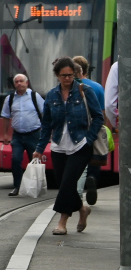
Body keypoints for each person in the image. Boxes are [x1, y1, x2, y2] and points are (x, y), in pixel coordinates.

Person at [36, 57, 103, 235]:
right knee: (64, 184)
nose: (67, 78)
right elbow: (46, 124)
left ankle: (62, 221)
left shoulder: (85, 91)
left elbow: (98, 117)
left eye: (70, 75)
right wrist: (40, 148)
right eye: (64, 75)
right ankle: (82, 209)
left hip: (80, 145)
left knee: (67, 183)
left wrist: (88, 139)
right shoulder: (51, 95)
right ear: (57, 75)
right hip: (58, 146)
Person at [1, 73, 44, 196]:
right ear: (14, 84)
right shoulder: (10, 99)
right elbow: (5, 117)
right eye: (16, 82)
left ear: (27, 83)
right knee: (15, 159)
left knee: (34, 162)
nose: (19, 84)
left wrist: (47, 131)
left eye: (21, 81)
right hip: (18, 135)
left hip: (34, 134)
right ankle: (17, 186)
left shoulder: (35, 96)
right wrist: (5, 134)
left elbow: (45, 113)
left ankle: (35, 187)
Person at [72, 55, 107, 206]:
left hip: (78, 125)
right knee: (95, 156)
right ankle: (92, 177)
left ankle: (78, 190)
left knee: (79, 157)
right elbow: (102, 111)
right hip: (95, 125)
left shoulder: (72, 85)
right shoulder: (98, 87)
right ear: (86, 70)